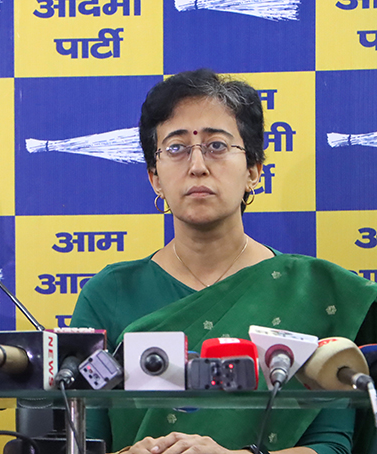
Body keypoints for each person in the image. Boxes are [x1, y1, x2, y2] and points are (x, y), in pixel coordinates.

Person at [70, 69, 377, 454]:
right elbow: (80, 440)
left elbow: (334, 445)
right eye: (177, 148)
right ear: (155, 178)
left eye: (216, 146)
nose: (197, 165)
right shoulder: (110, 294)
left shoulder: (315, 292)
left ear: (253, 171)